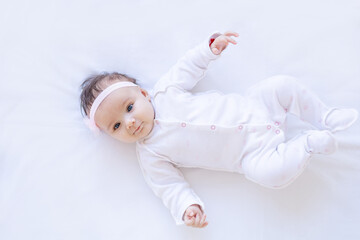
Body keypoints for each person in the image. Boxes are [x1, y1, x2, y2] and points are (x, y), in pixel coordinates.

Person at [79, 31, 358, 228]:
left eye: (128, 108)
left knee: (281, 85)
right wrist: (187, 207)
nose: (129, 123)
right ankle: (308, 143)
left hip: (257, 107)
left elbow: (186, 68)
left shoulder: (165, 92)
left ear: (143, 93)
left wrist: (208, 50)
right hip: (250, 154)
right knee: (271, 175)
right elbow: (169, 186)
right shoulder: (151, 155)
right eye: (116, 126)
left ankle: (325, 115)